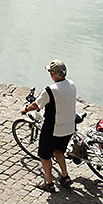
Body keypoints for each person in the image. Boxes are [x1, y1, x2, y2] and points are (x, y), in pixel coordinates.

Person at [23, 60, 77, 192]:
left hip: (54, 128)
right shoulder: (72, 84)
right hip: (69, 127)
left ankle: (48, 183)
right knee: (59, 150)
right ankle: (65, 177)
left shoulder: (50, 90)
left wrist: (25, 109)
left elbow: (36, 105)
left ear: (53, 74)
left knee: (45, 155)